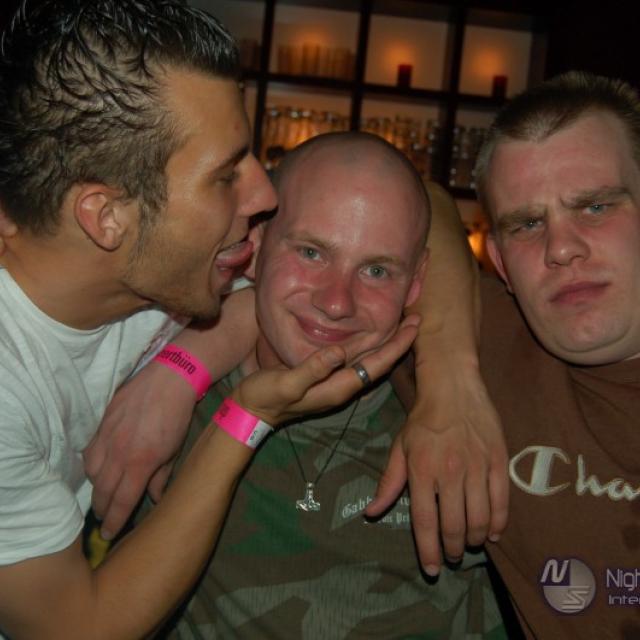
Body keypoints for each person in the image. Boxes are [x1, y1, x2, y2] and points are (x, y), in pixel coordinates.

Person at [0, 2, 417, 638]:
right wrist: (247, 417)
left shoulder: (166, 267)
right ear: (106, 217)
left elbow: (417, 206)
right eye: (226, 175)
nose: (264, 195)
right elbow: (79, 627)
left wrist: (182, 366)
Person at [145, 131, 505, 638]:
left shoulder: (455, 423)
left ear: (418, 280)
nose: (337, 303)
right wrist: (173, 372)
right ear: (256, 243)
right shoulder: (160, 395)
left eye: (376, 270)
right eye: (312, 253)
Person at [403, 71, 640, 639]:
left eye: (595, 207)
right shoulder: (481, 336)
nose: (561, 248)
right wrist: (451, 380)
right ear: (501, 263)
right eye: (528, 223)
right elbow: (414, 196)